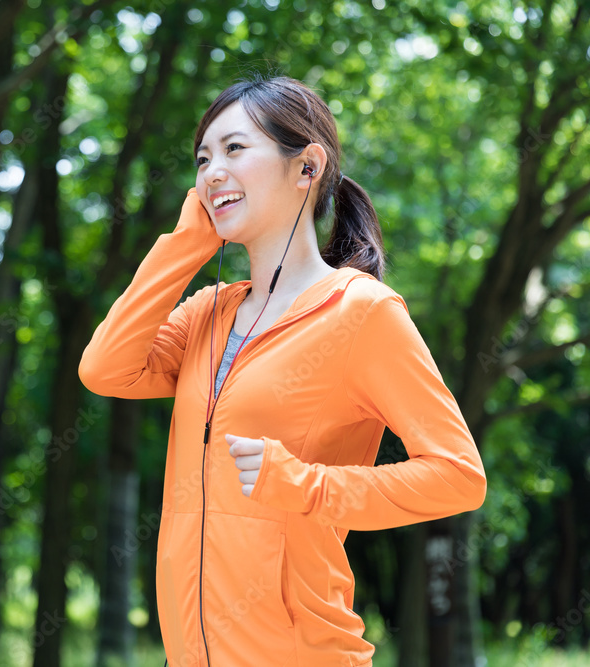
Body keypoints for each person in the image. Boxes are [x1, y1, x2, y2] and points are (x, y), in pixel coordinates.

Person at [78, 74, 486, 666]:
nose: (212, 171)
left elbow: (458, 476)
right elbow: (104, 368)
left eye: (235, 149)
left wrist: (306, 486)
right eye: (203, 159)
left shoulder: (362, 313)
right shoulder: (207, 314)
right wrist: (186, 245)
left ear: (306, 167)